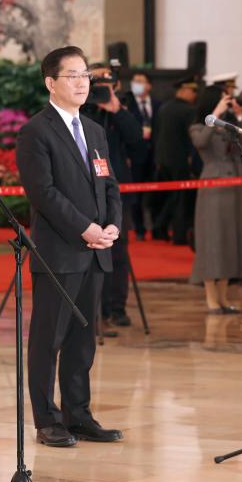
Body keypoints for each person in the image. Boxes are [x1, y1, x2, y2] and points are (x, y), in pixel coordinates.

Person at [17, 45, 123, 448]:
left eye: (85, 75)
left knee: (83, 340)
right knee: (49, 339)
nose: (82, 83)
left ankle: (79, 415)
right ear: (51, 82)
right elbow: (43, 193)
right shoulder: (36, 131)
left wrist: (111, 226)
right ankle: (47, 419)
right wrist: (85, 228)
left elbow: (109, 185)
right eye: (72, 75)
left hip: (96, 251)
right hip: (59, 252)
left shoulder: (94, 131)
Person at [82, 63, 143, 330]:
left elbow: (138, 142)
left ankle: (116, 308)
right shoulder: (81, 108)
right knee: (88, 252)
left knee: (117, 251)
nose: (100, 88)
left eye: (106, 82)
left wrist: (117, 110)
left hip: (116, 191)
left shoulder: (123, 106)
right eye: (96, 82)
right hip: (85, 191)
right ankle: (92, 308)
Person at [189, 85, 242, 311]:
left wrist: (239, 115)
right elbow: (201, 142)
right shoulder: (198, 127)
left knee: (233, 239)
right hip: (214, 185)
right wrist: (215, 115)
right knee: (213, 239)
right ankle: (211, 296)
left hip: (238, 183)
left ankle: (224, 296)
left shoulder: (231, 127)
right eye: (222, 100)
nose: (226, 104)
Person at [152, 78, 199, 245]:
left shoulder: (164, 108)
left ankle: (159, 226)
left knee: (170, 196)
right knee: (180, 199)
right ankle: (178, 234)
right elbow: (192, 138)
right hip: (181, 161)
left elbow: (156, 134)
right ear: (184, 90)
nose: (195, 95)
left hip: (163, 159)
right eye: (193, 91)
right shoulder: (189, 111)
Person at [122, 71, 159, 240]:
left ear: (149, 85)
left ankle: (157, 227)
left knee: (156, 193)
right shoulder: (127, 105)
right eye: (134, 81)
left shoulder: (158, 105)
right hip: (134, 156)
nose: (136, 84)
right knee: (135, 194)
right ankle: (139, 229)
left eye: (140, 81)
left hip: (154, 155)